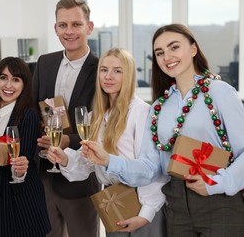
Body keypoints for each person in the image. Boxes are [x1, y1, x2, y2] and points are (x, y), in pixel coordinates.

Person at [84, 24, 244, 236]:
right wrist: (108, 161)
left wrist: (215, 183)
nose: (166, 56)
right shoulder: (160, 106)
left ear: (193, 49)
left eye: (174, 47)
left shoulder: (220, 92)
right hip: (176, 206)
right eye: (160, 52)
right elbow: (151, 168)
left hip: (221, 202)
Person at [47, 47, 168, 236]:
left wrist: (146, 214)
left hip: (142, 201)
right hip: (113, 199)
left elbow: (153, 170)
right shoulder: (95, 115)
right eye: (104, 70)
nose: (108, 76)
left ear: (128, 75)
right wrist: (65, 159)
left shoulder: (141, 112)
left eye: (117, 71)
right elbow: (88, 163)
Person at [32, 0, 101, 237]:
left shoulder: (103, 71)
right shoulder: (44, 63)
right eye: (63, 25)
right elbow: (33, 108)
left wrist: (66, 141)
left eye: (76, 24)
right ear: (55, 28)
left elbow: (101, 126)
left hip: (81, 179)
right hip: (43, 176)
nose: (69, 31)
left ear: (89, 27)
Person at [0, 57, 51, 237]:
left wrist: (20, 167)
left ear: (24, 85)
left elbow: (25, 159)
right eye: (3, 78)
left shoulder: (28, 115)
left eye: (16, 79)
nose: (8, 85)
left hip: (17, 195)